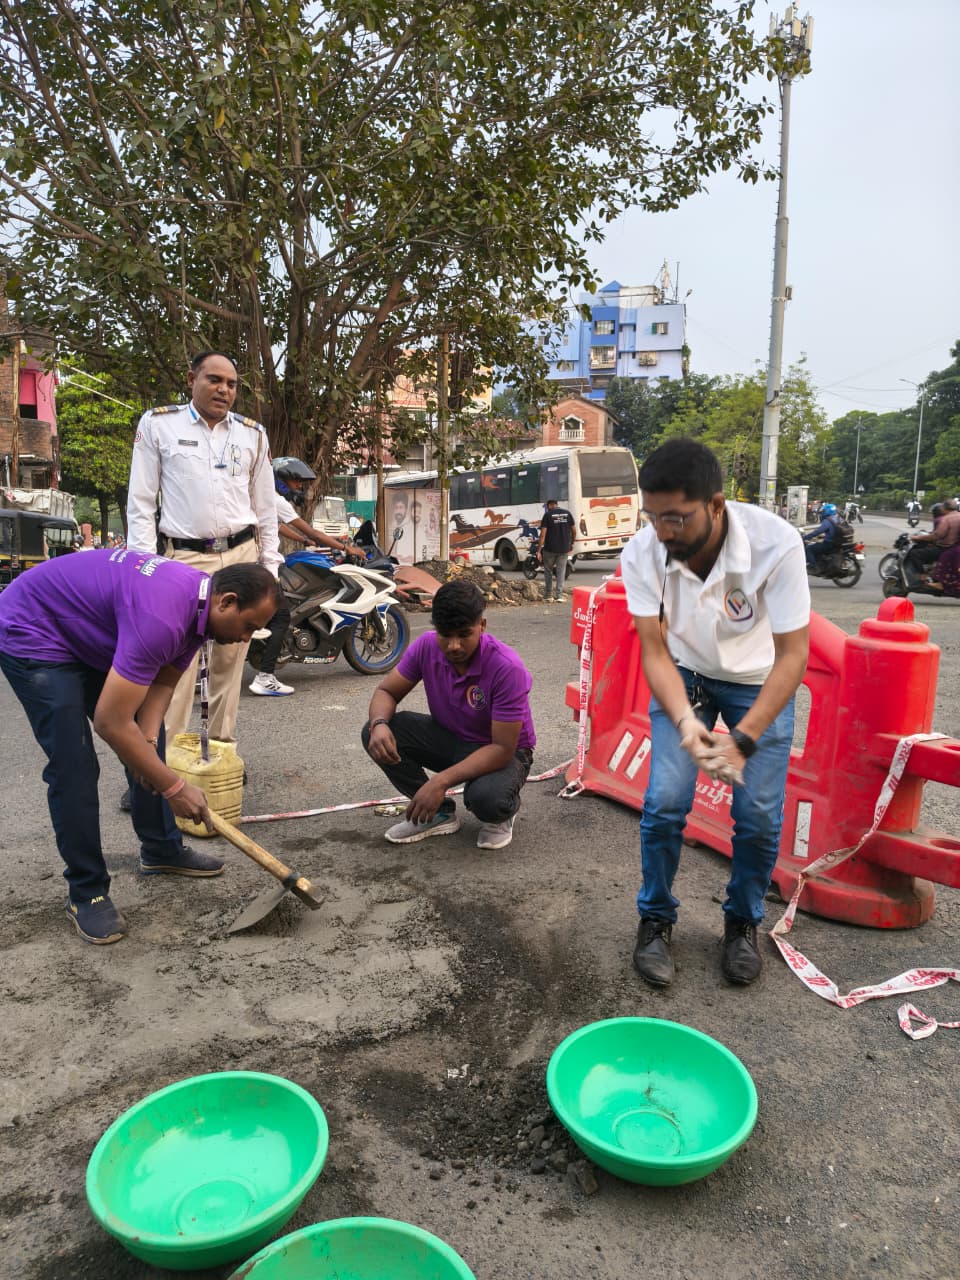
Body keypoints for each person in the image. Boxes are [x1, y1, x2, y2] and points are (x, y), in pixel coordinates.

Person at [0, 550, 280, 944]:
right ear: (227, 601)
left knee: (148, 740)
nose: (246, 638)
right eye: (249, 626)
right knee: (75, 765)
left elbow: (163, 684)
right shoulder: (162, 617)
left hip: (86, 631)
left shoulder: (197, 609)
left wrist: (146, 748)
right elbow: (109, 723)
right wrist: (173, 787)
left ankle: (161, 849)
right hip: (35, 632)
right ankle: (86, 891)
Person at [620, 438, 809, 988]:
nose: (663, 532)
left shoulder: (777, 546)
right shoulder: (644, 551)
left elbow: (794, 654)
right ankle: (655, 918)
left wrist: (743, 739)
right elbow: (653, 650)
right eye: (652, 517)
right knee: (664, 802)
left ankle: (743, 922)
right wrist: (685, 722)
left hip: (757, 682)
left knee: (757, 818)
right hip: (685, 675)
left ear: (717, 505)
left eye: (676, 518)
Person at [126, 351, 282, 744]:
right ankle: (163, 759)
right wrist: (142, 569)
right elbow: (141, 503)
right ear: (191, 377)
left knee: (231, 659)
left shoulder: (252, 434)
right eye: (214, 380)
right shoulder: (159, 425)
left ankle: (219, 750)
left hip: (241, 556)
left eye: (231, 384)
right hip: (183, 561)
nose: (223, 390)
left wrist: (270, 569)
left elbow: (266, 509)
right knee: (174, 663)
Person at [361, 579, 535, 851]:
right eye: (445, 634)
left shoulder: (506, 667)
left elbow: (502, 748)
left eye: (464, 634)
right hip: (453, 739)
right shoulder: (426, 647)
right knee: (377, 732)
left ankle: (502, 814)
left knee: (487, 800)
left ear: (482, 626)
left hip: (504, 752)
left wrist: (440, 782)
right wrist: (379, 724)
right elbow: (387, 692)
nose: (454, 645)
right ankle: (439, 813)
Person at [250, 457, 366, 696]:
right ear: (280, 481)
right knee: (281, 617)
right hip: (264, 566)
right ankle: (265, 676)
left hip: (250, 564)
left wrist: (303, 541)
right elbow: (311, 529)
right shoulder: (276, 499)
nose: (299, 487)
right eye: (295, 481)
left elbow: (274, 525)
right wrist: (346, 548)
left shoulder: (258, 496)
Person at [906, 496, 960, 582]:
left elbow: (936, 536)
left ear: (945, 508)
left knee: (915, 553)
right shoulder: (957, 516)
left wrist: (918, 537)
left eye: (942, 506)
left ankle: (923, 576)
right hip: (954, 547)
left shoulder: (946, 519)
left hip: (944, 548)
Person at [538, 497, 576, 602]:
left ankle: (548, 595)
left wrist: (538, 550)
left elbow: (542, 535)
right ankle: (559, 596)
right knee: (561, 572)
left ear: (550, 505)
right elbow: (574, 530)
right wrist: (572, 542)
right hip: (564, 548)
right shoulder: (567, 514)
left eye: (547, 507)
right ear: (556, 504)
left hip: (550, 549)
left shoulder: (548, 515)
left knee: (548, 571)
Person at [802, 502, 841, 569]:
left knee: (809, 548)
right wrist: (824, 536)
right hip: (837, 542)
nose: (822, 512)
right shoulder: (839, 518)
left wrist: (805, 537)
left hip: (829, 544)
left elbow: (818, 531)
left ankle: (813, 566)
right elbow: (834, 531)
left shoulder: (828, 520)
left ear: (828, 511)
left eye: (824, 511)